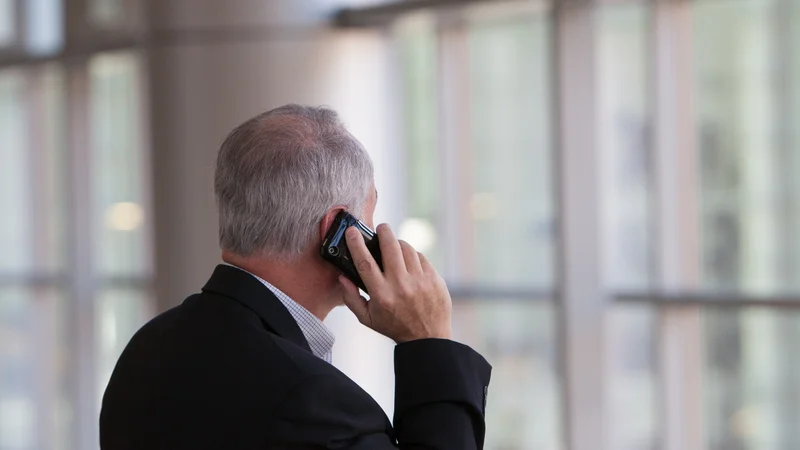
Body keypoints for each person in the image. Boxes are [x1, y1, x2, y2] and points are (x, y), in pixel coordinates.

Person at [99, 104, 492, 449]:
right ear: (339, 231)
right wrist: (429, 342)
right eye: (370, 215)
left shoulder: (149, 346)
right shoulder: (312, 400)